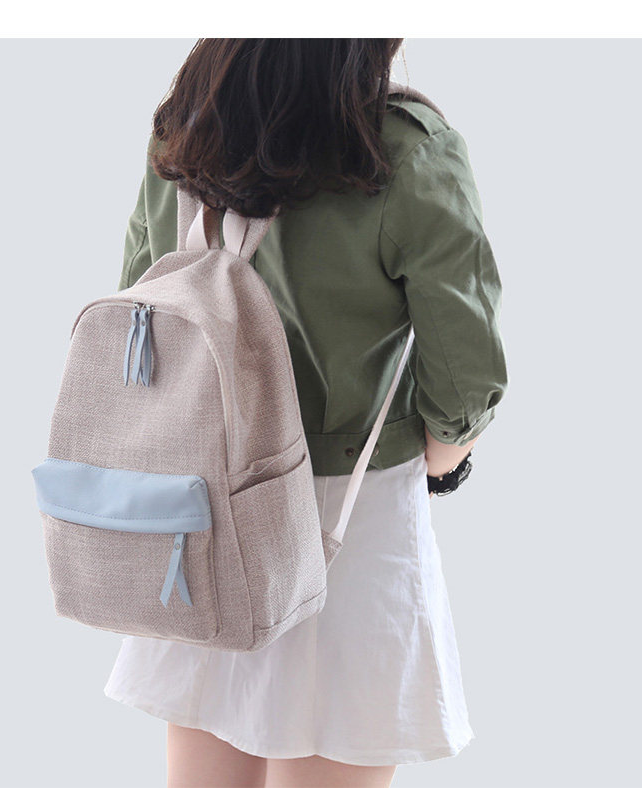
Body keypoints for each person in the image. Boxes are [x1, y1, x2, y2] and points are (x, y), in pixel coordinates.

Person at [104, 38, 508, 788]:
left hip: (199, 515)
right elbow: (465, 379)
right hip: (351, 524)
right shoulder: (400, 152)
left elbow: (139, 306)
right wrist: (442, 465)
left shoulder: (185, 129)